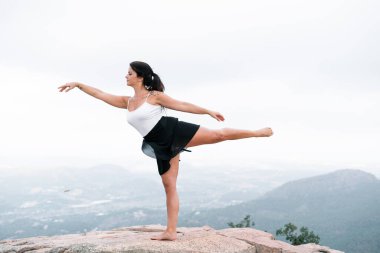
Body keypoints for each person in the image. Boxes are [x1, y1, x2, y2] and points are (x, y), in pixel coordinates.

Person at [58, 61, 273, 241]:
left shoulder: (154, 96)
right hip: (159, 144)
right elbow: (100, 94)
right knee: (169, 185)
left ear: (140, 77)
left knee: (218, 135)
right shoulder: (127, 101)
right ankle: (170, 232)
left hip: (172, 131)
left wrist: (207, 110)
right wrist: (78, 84)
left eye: (129, 73)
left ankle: (257, 132)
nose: (126, 76)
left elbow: (182, 105)